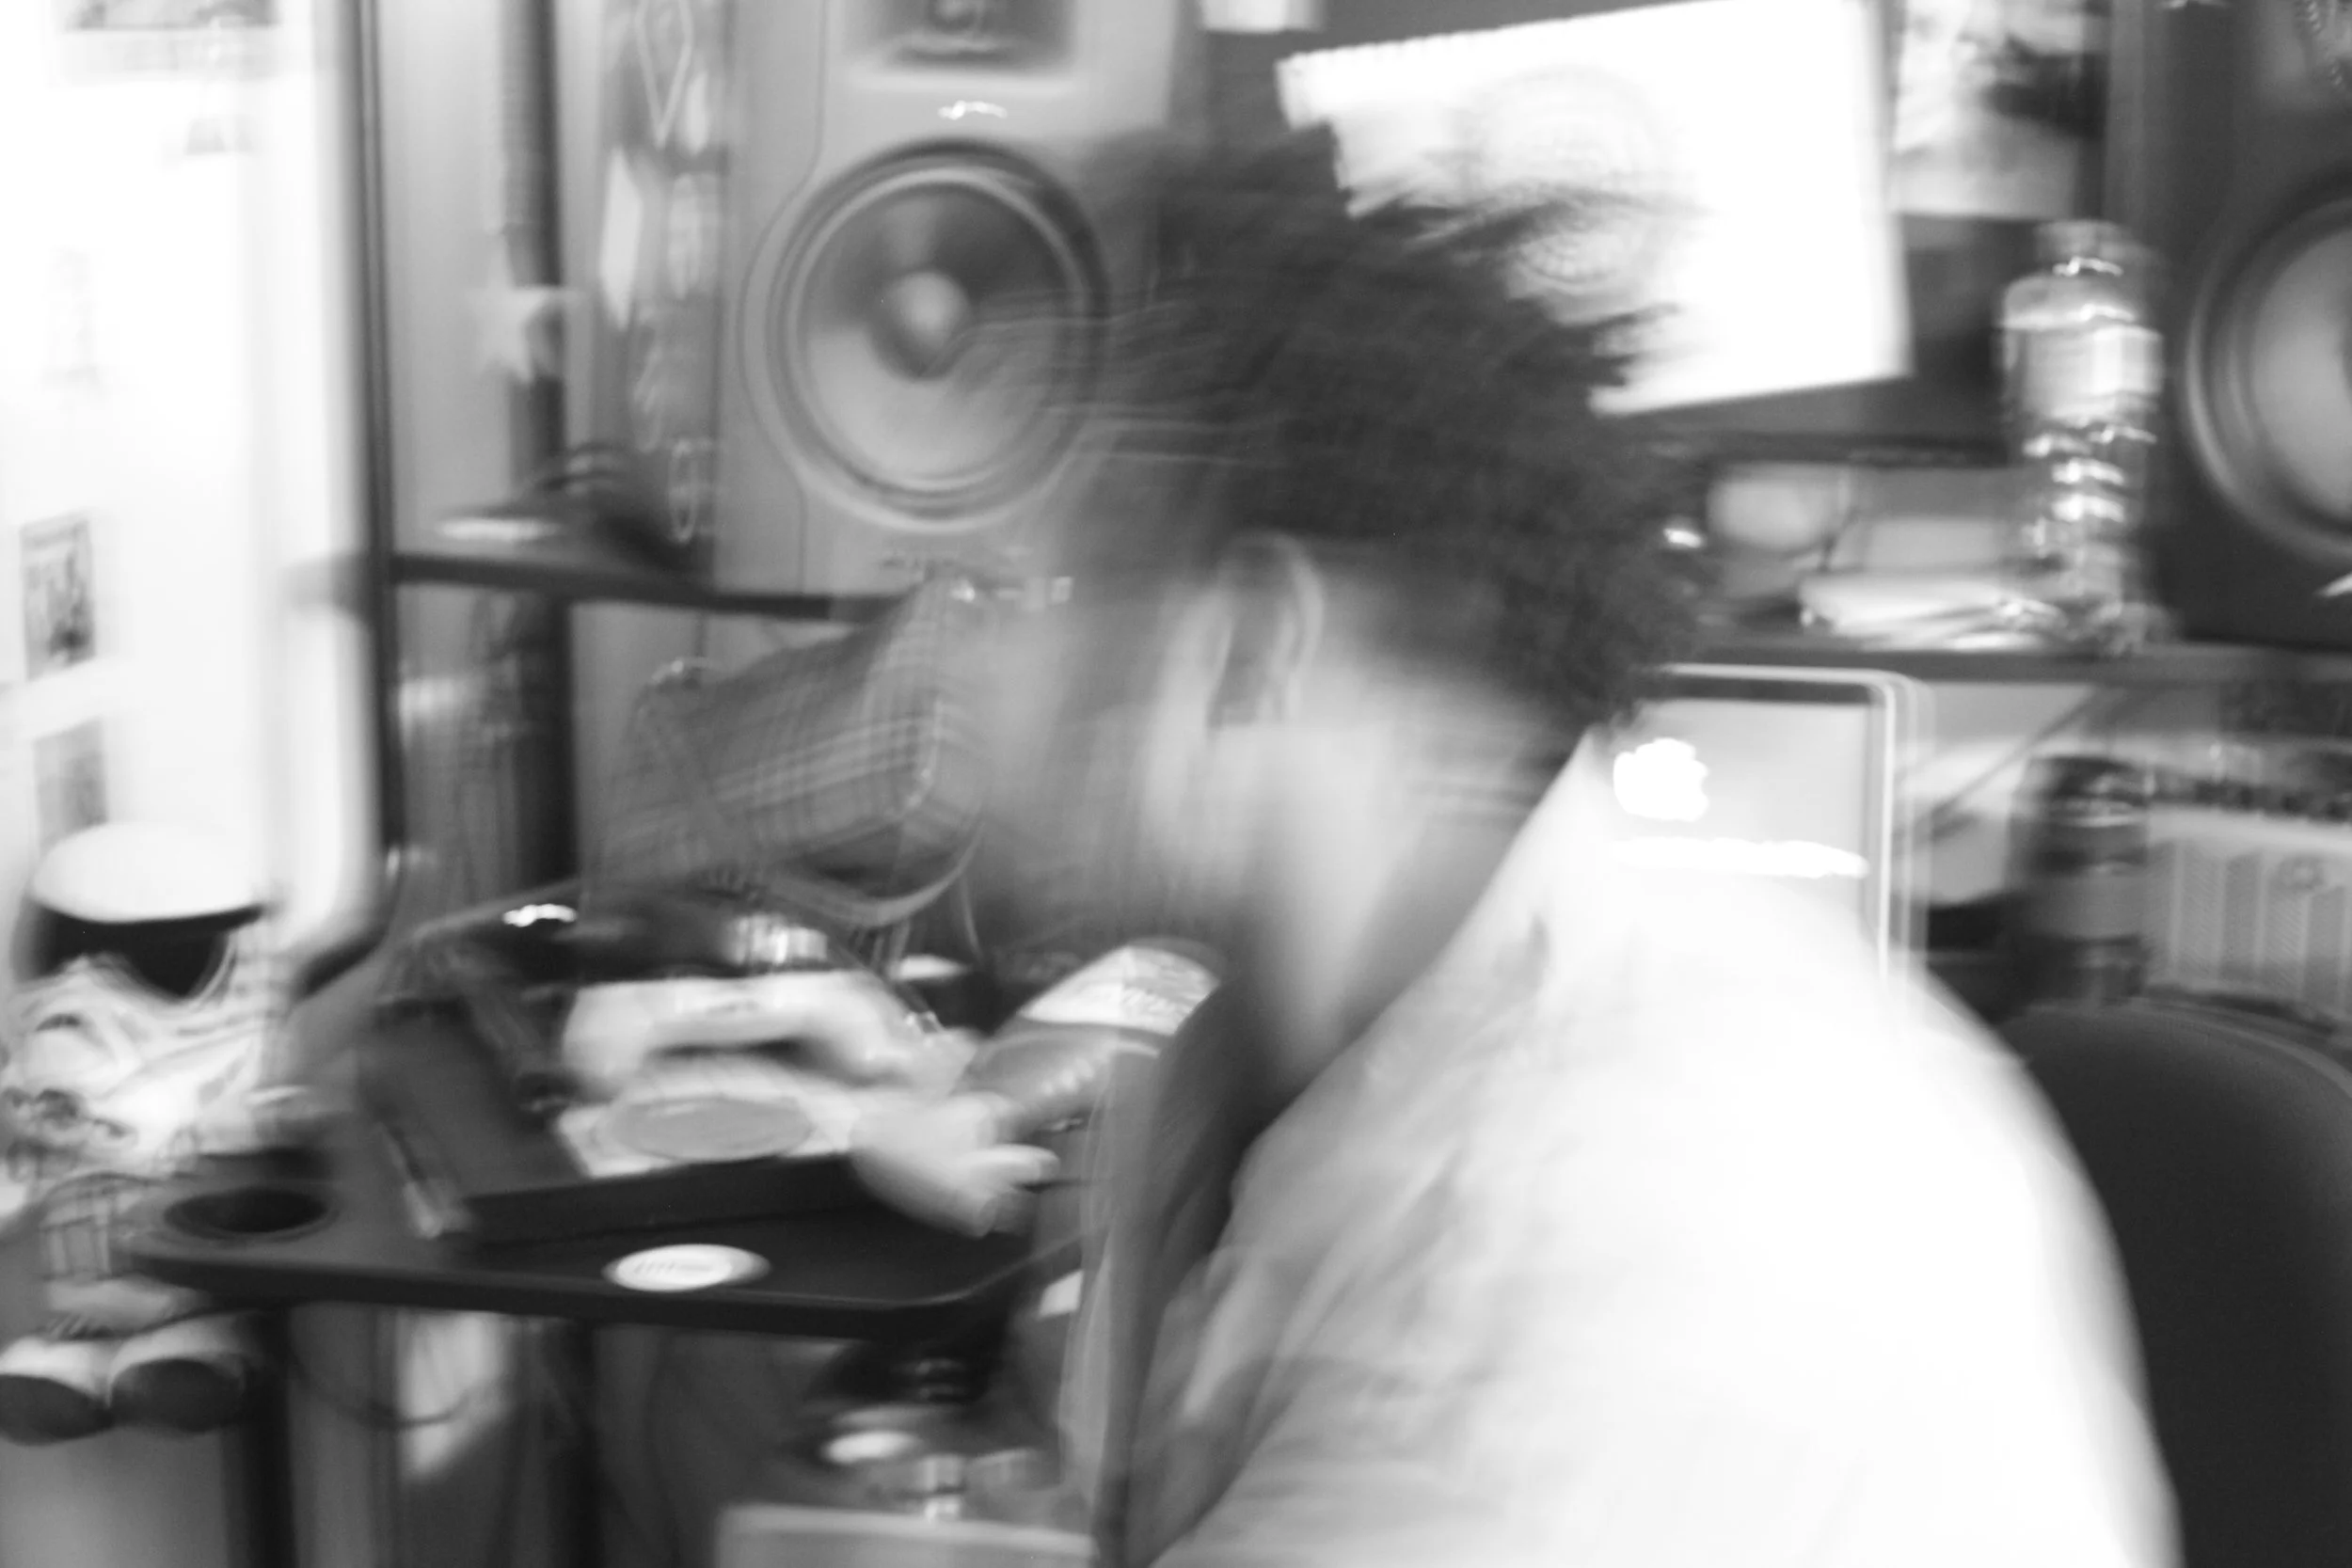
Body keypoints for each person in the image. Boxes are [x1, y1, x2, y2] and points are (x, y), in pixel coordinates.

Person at [858, 129, 2178, 1568]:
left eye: (1018, 595)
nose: (966, 670)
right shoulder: (1343, 1021)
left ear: (1247, 651)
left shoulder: (1555, 1257)